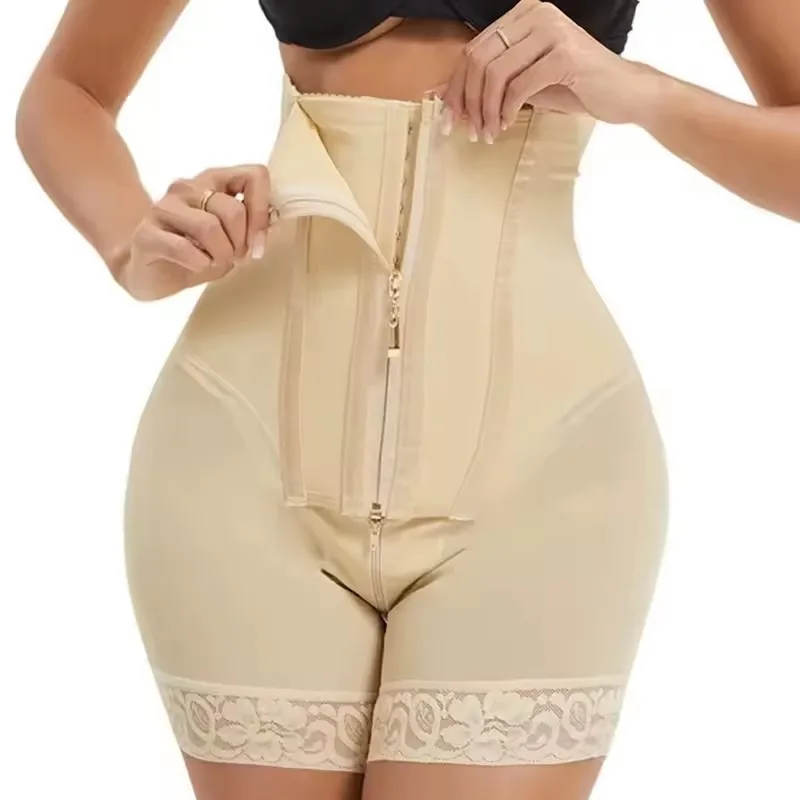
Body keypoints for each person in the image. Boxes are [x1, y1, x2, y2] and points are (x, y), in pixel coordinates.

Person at [15, 1, 800, 799]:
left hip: (541, 474)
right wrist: (133, 244)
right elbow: (68, 90)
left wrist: (643, 92)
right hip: (246, 460)